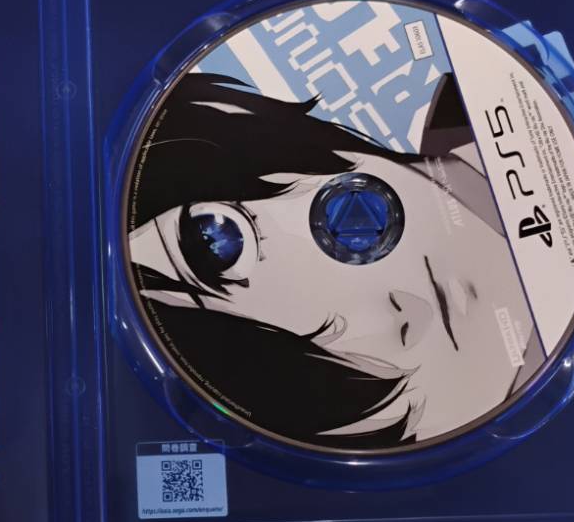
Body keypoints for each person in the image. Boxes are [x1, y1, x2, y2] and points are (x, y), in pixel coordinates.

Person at [127, 72, 540, 450]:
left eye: (217, 239)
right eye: (294, 379)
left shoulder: (502, 85)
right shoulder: (542, 438)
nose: (399, 312)